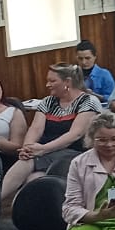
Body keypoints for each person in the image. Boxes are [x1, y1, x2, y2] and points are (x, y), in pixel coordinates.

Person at [17, 65, 107, 203]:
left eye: (52, 81)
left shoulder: (88, 101)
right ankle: (20, 209)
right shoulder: (47, 101)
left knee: (28, 161)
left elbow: (75, 135)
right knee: (32, 178)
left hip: (74, 153)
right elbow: (35, 128)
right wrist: (27, 147)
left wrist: (42, 149)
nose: (48, 85)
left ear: (67, 82)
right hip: (46, 153)